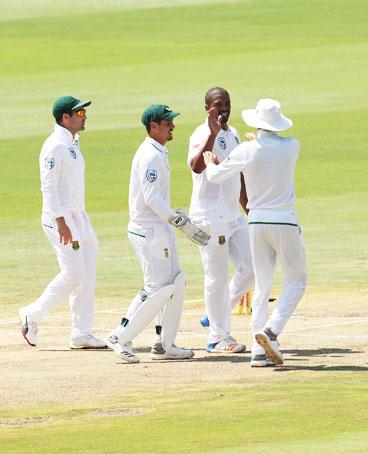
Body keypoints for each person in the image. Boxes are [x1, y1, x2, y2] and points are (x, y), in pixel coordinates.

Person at [204, 98, 307, 367]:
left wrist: (211, 162)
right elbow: (270, 152)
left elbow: (215, 176)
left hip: (257, 223)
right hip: (285, 221)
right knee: (297, 280)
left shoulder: (247, 150)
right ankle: (271, 330)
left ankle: (258, 352)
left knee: (262, 285)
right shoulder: (291, 146)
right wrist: (255, 143)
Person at [106, 104, 210, 363]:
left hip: (159, 228)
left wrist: (174, 219)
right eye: (167, 123)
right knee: (157, 289)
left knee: (177, 283)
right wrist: (179, 220)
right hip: (148, 230)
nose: (172, 126)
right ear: (153, 127)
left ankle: (165, 345)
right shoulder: (150, 155)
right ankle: (120, 336)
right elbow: (152, 198)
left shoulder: (158, 151)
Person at [19, 96, 106, 349]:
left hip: (79, 217)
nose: (84, 116)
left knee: (87, 273)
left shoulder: (71, 142)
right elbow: (48, 187)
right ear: (65, 118)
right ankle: (31, 314)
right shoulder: (56, 145)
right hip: (61, 219)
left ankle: (81, 333)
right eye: (79, 113)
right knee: (74, 272)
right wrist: (61, 222)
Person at [188, 87, 254, 354]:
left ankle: (215, 313)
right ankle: (216, 338)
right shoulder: (201, 134)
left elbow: (237, 175)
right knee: (215, 278)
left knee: (252, 267)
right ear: (207, 108)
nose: (223, 109)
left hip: (232, 216)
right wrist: (212, 135)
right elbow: (195, 166)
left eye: (227, 104)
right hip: (209, 217)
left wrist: (249, 208)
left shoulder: (234, 132)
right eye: (218, 105)